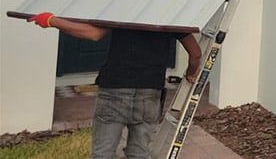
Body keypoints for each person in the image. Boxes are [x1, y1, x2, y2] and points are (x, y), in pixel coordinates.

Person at [27, 12, 201, 159]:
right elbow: (195, 54)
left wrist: (51, 20)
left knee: (103, 154)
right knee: (139, 154)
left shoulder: (123, 8)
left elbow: (92, 33)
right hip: (149, 95)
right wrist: (191, 73)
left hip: (114, 92)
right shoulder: (172, 14)